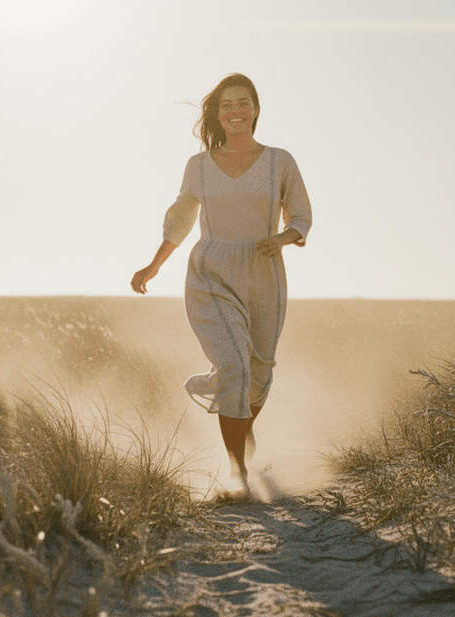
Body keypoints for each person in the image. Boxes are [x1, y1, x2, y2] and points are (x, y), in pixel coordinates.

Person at [130, 73, 312, 499]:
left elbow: (300, 215)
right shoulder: (198, 166)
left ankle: (240, 429)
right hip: (211, 271)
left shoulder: (279, 161)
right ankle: (237, 473)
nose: (235, 111)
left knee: (259, 373)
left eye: (243, 102)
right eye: (226, 104)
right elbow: (180, 219)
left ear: (255, 109)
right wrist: (154, 265)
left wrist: (284, 238)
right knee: (235, 365)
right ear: (217, 112)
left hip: (265, 273)